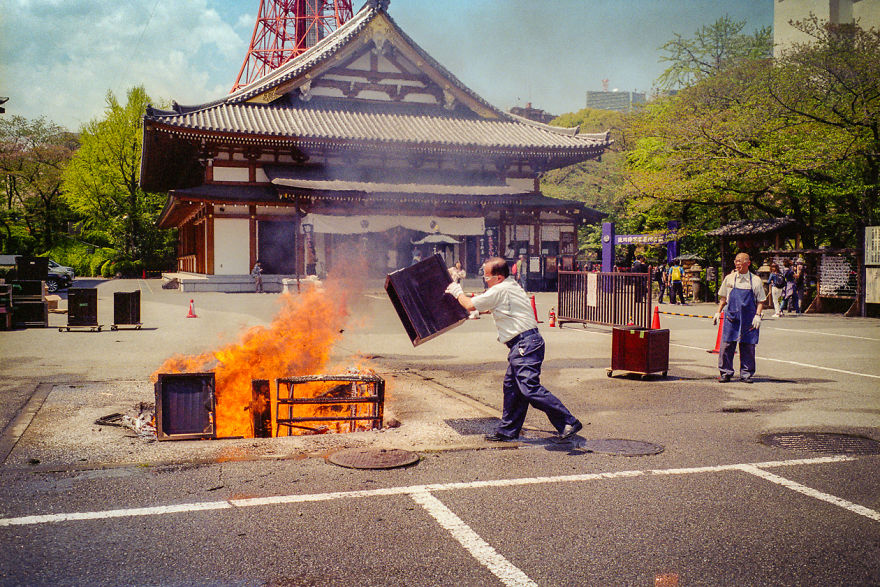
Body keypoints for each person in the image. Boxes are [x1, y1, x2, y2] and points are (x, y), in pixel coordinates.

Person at [444, 257, 583, 442]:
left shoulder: (502, 289)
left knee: (529, 388)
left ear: (499, 277)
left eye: (487, 277)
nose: (485, 280)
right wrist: (478, 309)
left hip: (525, 344)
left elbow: (469, 304)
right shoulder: (510, 286)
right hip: (524, 344)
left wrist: (457, 292)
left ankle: (568, 421)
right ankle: (508, 431)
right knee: (512, 388)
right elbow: (489, 306)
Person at [713, 252, 767, 383]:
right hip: (731, 317)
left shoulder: (755, 280)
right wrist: (718, 312)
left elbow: (760, 300)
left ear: (748, 263)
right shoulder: (730, 278)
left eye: (740, 261)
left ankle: (746, 374)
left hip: (749, 319)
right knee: (726, 345)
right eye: (736, 261)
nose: (737, 264)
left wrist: (758, 315)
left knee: (748, 346)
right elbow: (723, 298)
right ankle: (725, 372)